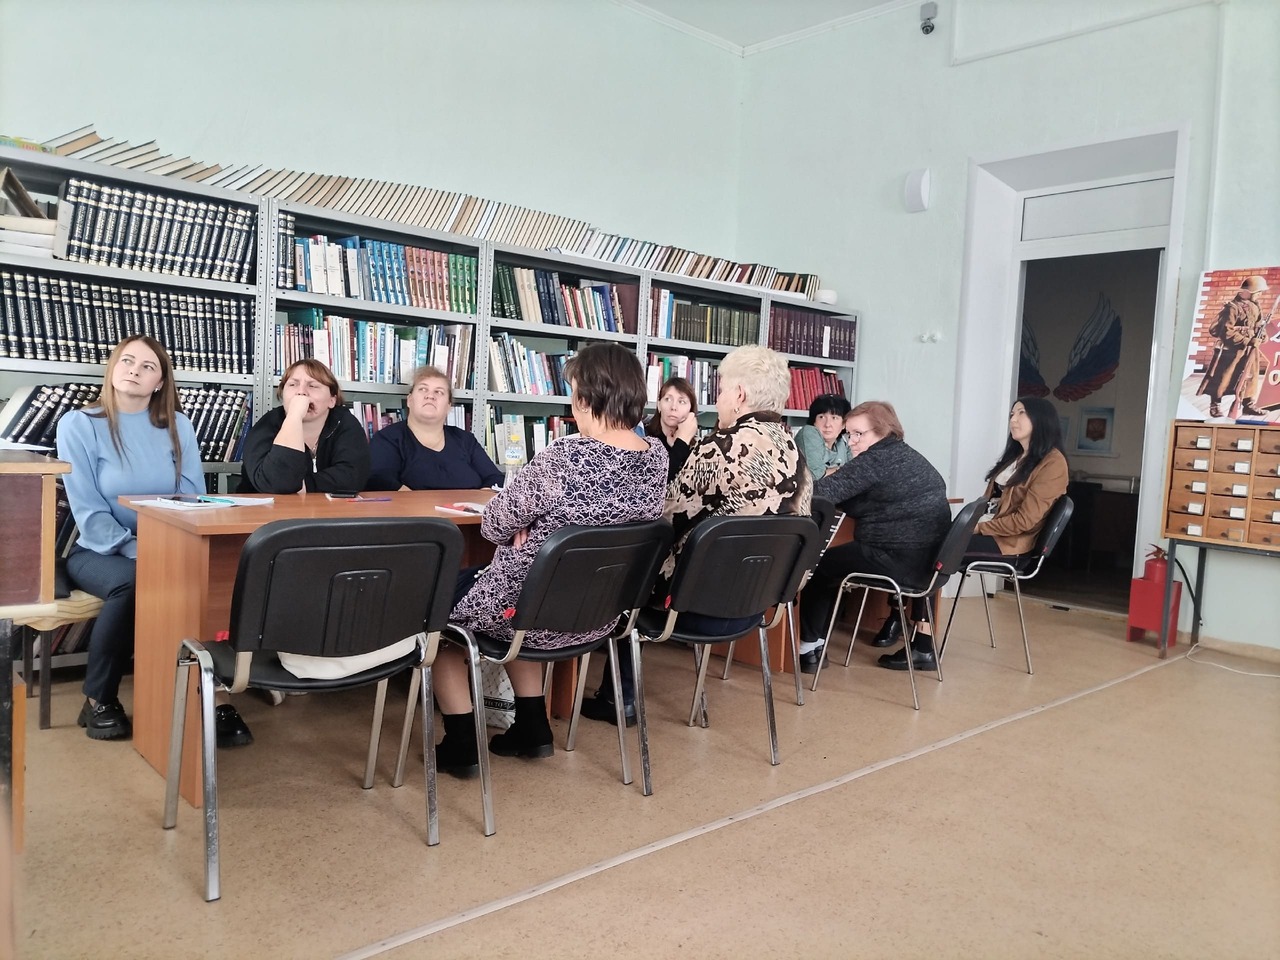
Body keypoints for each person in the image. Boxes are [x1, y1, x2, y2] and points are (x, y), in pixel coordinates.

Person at [431, 342, 668, 775]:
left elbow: (493, 524)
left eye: (573, 393)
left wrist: (522, 524)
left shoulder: (564, 457)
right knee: (524, 606)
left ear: (586, 399)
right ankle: (533, 728)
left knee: (438, 621)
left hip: (529, 609)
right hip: (596, 615)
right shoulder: (656, 457)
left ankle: (461, 745)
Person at [583, 344, 813, 725]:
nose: (717, 401)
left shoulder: (721, 448)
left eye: (721, 391)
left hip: (694, 605)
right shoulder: (797, 455)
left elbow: (661, 517)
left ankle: (616, 699)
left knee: (618, 578)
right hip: (756, 606)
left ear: (739, 395)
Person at [57, 335, 253, 745]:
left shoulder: (178, 425)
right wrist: (140, 549)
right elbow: (88, 510)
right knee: (134, 582)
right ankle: (98, 698)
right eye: (127, 361)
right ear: (112, 369)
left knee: (215, 578)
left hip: (168, 544)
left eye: (148, 366)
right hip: (98, 550)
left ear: (160, 382)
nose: (134, 370)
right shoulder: (80, 424)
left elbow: (192, 496)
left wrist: (168, 549)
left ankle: (210, 695)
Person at [798, 401, 951, 673]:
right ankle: (818, 643)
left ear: (883, 431)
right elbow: (869, 500)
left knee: (819, 567)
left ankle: (809, 649)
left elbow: (820, 493)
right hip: (929, 563)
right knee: (836, 560)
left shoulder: (874, 460)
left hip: (899, 559)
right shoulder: (906, 456)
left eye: (859, 434)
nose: (851, 442)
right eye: (849, 434)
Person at [238, 358, 370, 494]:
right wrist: (294, 416)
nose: (301, 392)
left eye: (313, 386)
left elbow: (353, 477)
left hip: (327, 506)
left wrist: (304, 486)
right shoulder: (267, 425)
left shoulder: (345, 422)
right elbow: (276, 483)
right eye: (292, 385)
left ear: (332, 400)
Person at [964, 397, 1070, 560]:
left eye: (1021, 413)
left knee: (938, 548)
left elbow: (1024, 521)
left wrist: (977, 528)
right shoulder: (1015, 457)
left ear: (1042, 419)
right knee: (932, 537)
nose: (1013, 419)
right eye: (1012, 414)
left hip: (1010, 544)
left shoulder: (1053, 463)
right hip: (987, 530)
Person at [367, 365, 502, 490]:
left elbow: (495, 478)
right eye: (423, 389)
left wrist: (481, 499)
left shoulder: (466, 440)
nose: (430, 396)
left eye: (439, 392)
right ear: (409, 400)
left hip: (468, 508)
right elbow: (379, 480)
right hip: (415, 509)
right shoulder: (387, 439)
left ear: (448, 406)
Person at [1197, 275, 1271, 418]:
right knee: (1224, 377)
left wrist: (1261, 335)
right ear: (1250, 291)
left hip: (1250, 350)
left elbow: (1258, 325)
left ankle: (1248, 404)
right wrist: (1248, 340)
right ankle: (1215, 405)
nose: (1261, 294)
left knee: (1250, 376)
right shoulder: (1232, 308)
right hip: (1232, 350)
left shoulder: (1256, 306)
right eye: (1259, 292)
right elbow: (1226, 332)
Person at [643, 376, 699, 481]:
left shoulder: (698, 447)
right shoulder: (645, 439)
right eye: (668, 399)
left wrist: (679, 445)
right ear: (659, 405)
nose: (673, 407)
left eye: (681, 402)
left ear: (691, 410)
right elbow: (656, 481)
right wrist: (681, 443)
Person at [794, 393, 852, 480]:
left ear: (844, 424)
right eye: (821, 417)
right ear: (814, 421)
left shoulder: (844, 441)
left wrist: (830, 472)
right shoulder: (809, 433)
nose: (827, 424)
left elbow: (855, 472)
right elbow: (815, 476)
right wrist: (843, 470)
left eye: (834, 418)